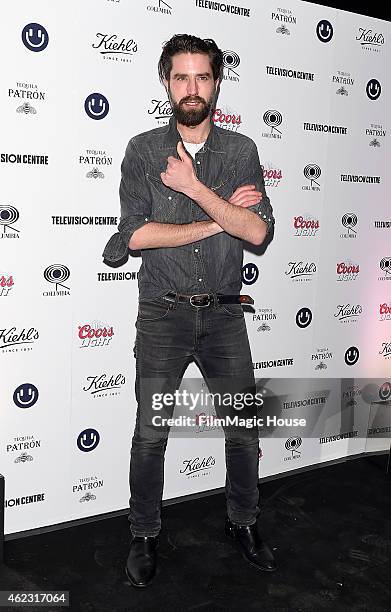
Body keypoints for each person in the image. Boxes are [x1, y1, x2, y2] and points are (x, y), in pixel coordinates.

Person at [102, 34, 276, 588]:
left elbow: (257, 230)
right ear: (166, 83)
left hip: (225, 315)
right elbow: (135, 237)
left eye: (202, 77)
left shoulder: (242, 151)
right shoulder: (143, 150)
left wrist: (195, 188)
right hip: (163, 314)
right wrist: (218, 215)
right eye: (181, 77)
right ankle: (145, 532)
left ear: (217, 83)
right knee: (151, 434)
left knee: (243, 430)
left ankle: (243, 522)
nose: (192, 88)